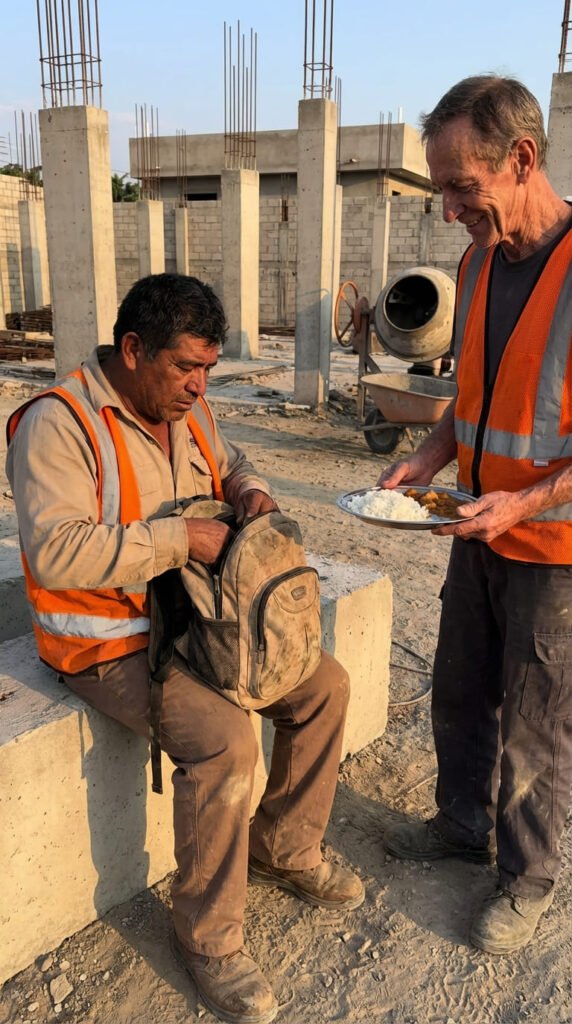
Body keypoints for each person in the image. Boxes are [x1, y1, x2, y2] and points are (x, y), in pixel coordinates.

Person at [6, 273, 364, 1024]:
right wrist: (182, 539)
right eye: (185, 368)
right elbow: (55, 552)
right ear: (133, 349)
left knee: (324, 686)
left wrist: (250, 489)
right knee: (227, 742)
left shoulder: (186, 405)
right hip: (112, 643)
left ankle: (284, 847)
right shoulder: (60, 424)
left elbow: (229, 463)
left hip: (198, 619)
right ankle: (207, 938)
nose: (199, 386)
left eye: (208, 369)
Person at [380, 75, 572, 955]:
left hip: (552, 548)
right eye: (442, 189)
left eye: (462, 185)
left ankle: (527, 879)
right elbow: (473, 399)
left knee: (536, 718)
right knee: (460, 687)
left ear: (521, 158)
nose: (450, 208)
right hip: (476, 525)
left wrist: (524, 503)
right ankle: (462, 824)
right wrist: (428, 460)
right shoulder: (478, 262)